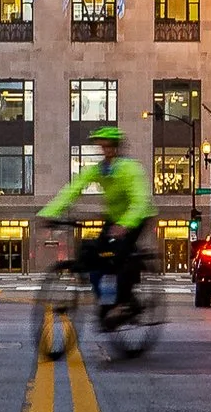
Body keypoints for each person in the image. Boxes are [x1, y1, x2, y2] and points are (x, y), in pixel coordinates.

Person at [39, 118, 153, 323]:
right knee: (91, 256)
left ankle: (125, 303)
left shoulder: (130, 169)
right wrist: (50, 213)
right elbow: (73, 189)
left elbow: (140, 201)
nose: (105, 151)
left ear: (117, 148)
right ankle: (106, 303)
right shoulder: (98, 170)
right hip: (113, 219)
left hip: (137, 216)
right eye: (102, 147)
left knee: (120, 257)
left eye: (109, 146)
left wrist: (125, 225)